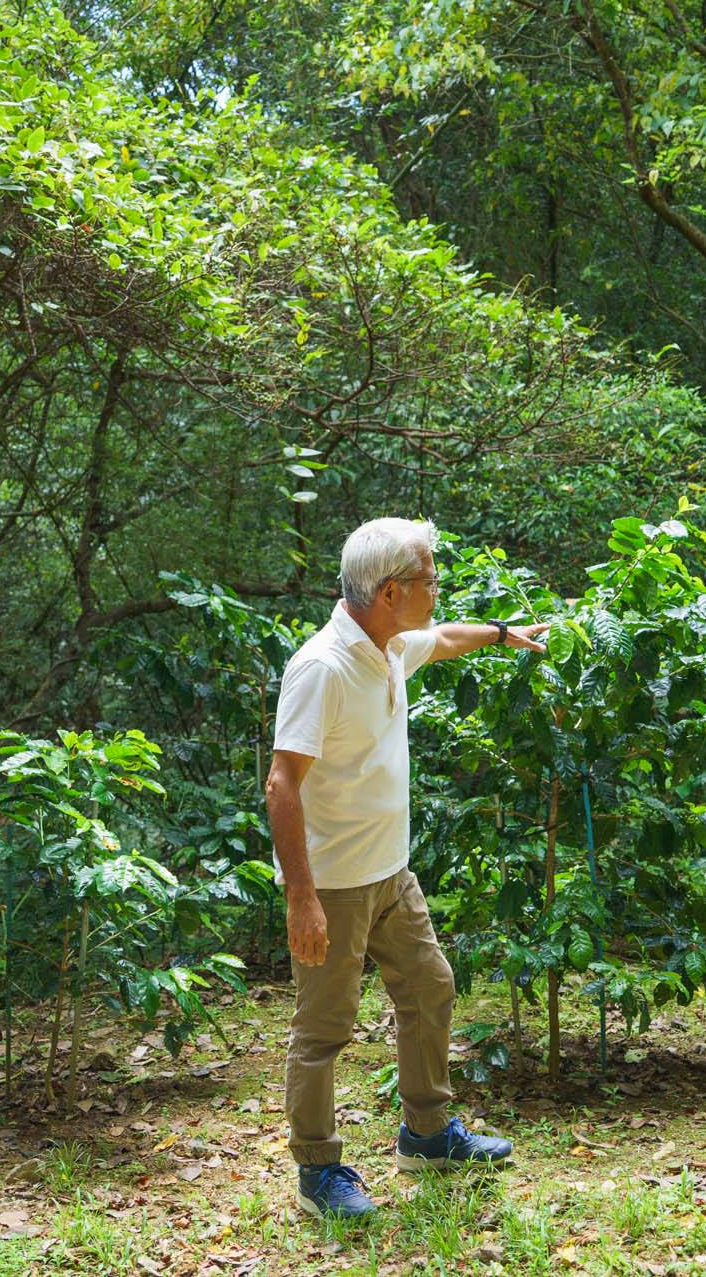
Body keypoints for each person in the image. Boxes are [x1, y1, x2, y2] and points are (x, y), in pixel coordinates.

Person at [265, 517, 548, 1219]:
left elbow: (444, 638)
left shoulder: (387, 644)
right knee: (324, 1030)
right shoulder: (323, 667)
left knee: (430, 987)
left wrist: (506, 633)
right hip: (333, 884)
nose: (437, 589)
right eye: (429, 579)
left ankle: (426, 1133)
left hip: (391, 872)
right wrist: (302, 897)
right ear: (390, 590)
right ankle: (318, 1171)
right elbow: (281, 785)